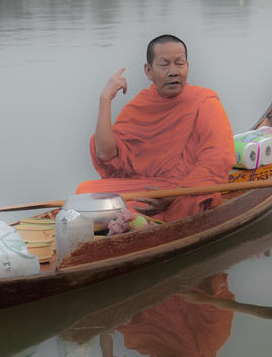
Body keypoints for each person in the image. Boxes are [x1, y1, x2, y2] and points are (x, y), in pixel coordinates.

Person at [75, 35, 235, 223]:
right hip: (147, 188)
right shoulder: (141, 105)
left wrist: (174, 194)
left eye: (179, 64)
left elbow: (217, 159)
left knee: (190, 202)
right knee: (85, 193)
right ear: (148, 71)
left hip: (187, 189)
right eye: (164, 64)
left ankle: (141, 223)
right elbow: (106, 154)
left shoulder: (204, 102)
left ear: (187, 67)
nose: (173, 71)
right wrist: (105, 100)